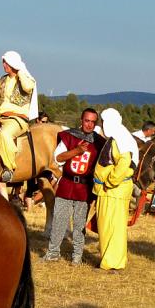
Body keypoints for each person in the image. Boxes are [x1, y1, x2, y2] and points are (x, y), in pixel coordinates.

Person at [43, 108, 103, 264]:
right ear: (81, 120)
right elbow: (58, 158)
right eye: (87, 121)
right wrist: (76, 150)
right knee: (59, 221)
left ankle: (77, 256)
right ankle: (53, 253)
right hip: (67, 184)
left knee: (79, 225)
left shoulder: (99, 142)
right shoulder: (69, 136)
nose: (89, 124)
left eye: (92, 122)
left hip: (84, 188)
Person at [92, 108, 139, 271]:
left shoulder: (120, 139)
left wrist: (110, 182)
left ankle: (111, 263)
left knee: (111, 227)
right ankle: (112, 260)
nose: (101, 124)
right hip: (112, 191)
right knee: (112, 226)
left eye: (103, 121)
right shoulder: (121, 136)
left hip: (113, 191)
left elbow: (124, 162)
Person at [0, 50, 38, 182]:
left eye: (6, 62)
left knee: (5, 134)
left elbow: (27, 88)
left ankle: (8, 169)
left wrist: (20, 71)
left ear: (13, 63)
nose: (4, 65)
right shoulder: (1, 79)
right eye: (3, 62)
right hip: (0, 116)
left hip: (18, 119)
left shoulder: (26, 79)